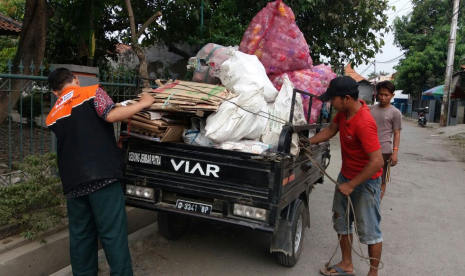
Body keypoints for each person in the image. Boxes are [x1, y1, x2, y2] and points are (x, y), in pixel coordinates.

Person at [46, 68, 155, 276]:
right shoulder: (91, 91)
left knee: (81, 238)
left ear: (55, 93)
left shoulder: (52, 115)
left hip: (73, 182)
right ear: (75, 79)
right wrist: (143, 103)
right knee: (112, 234)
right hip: (102, 176)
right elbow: (111, 115)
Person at [309, 76, 384, 276]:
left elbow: (377, 161)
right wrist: (307, 143)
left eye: (333, 99)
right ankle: (347, 264)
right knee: (341, 221)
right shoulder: (343, 114)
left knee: (369, 231)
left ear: (347, 98)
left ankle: (373, 273)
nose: (330, 103)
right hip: (346, 176)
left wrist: (352, 185)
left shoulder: (364, 123)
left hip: (365, 182)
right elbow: (331, 130)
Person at [370, 81, 402, 199]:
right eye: (381, 94)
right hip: (367, 149)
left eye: (386, 95)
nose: (383, 97)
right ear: (377, 94)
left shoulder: (395, 113)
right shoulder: (369, 110)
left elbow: (397, 133)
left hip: (384, 151)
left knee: (381, 179)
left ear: (392, 95)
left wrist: (395, 152)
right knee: (365, 177)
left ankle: (377, 203)